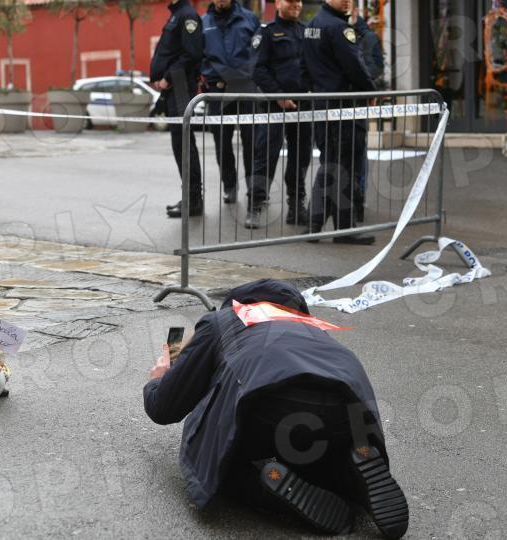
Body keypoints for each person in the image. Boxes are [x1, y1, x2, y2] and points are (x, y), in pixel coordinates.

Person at [143, 279, 409, 538]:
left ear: (238, 300)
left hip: (273, 405)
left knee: (217, 463)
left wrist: (158, 379)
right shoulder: (312, 327)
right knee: (314, 454)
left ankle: (267, 482)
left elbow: (164, 408)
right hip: (346, 410)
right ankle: (353, 466)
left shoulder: (222, 320)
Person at [301, 0, 377, 245]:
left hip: (324, 107)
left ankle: (315, 224)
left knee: (331, 164)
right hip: (344, 108)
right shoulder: (338, 27)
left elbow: (304, 68)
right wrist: (370, 91)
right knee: (345, 167)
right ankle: (344, 229)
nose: (347, 1)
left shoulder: (312, 25)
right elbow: (354, 66)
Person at [246, 0, 311, 229]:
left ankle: (296, 207)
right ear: (279, 3)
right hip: (274, 107)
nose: (296, 5)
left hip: (303, 106)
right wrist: (279, 96)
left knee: (301, 157)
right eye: (290, 1)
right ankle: (255, 205)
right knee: (266, 156)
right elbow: (257, 69)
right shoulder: (266, 33)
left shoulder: (306, 32)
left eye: (298, 1)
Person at [201, 0, 260, 205]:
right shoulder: (203, 22)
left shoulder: (250, 19)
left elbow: (257, 53)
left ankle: (254, 189)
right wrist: (224, 74)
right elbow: (201, 57)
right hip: (217, 91)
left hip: (245, 89)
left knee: (252, 142)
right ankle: (230, 186)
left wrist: (240, 76)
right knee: (222, 144)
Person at [151, 0, 206, 219]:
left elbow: (192, 53)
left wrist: (167, 77)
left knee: (183, 143)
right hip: (175, 86)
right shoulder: (178, 14)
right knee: (180, 143)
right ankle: (191, 198)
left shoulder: (187, 15)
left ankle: (193, 200)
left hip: (180, 84)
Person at [350, 8, 384, 224]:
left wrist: (358, 81)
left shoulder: (368, 37)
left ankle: (358, 198)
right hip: (339, 102)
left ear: (355, 12)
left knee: (359, 152)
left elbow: (377, 66)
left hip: (358, 102)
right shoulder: (335, 31)